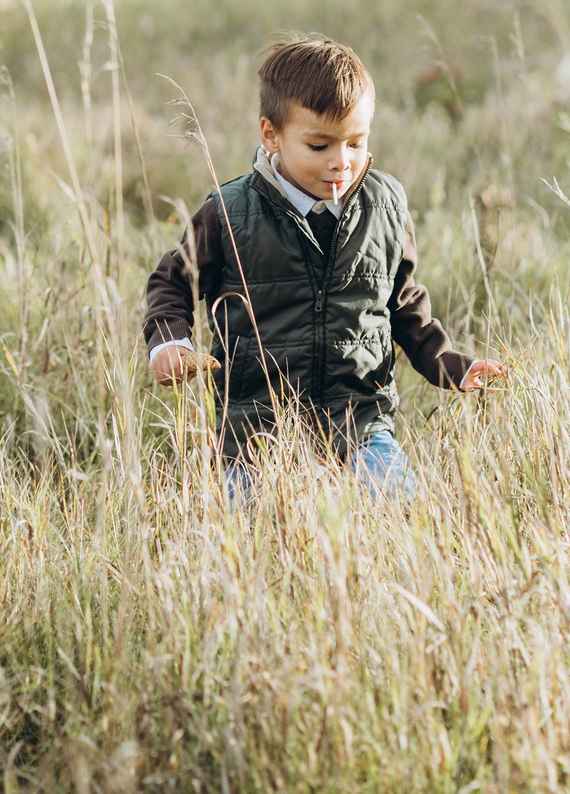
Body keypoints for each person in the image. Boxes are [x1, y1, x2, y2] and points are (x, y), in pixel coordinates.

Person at [143, 33, 508, 495]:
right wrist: (169, 341)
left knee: (401, 505)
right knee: (249, 522)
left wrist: (449, 364)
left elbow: (403, 303)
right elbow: (172, 281)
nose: (342, 162)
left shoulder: (385, 206)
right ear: (271, 135)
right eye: (319, 146)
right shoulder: (231, 213)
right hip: (255, 433)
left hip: (360, 424)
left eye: (356, 143)